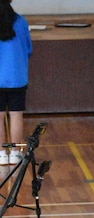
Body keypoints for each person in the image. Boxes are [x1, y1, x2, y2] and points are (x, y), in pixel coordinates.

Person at [0, 0, 32, 166]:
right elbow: (28, 48)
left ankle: (0, 154)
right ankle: (14, 153)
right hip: (16, 77)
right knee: (16, 115)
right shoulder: (20, 21)